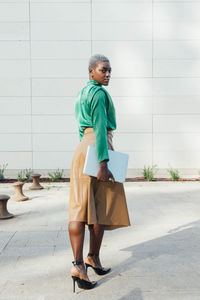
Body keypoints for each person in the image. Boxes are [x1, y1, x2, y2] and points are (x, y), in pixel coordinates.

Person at [68, 54, 130, 292]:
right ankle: (82, 263)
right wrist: (103, 162)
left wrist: (88, 150)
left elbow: (81, 126)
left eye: (109, 70)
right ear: (91, 71)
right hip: (97, 149)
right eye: (103, 70)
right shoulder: (99, 94)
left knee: (79, 207)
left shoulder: (82, 93)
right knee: (100, 208)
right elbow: (100, 127)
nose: (107, 74)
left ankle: (87, 261)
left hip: (83, 148)